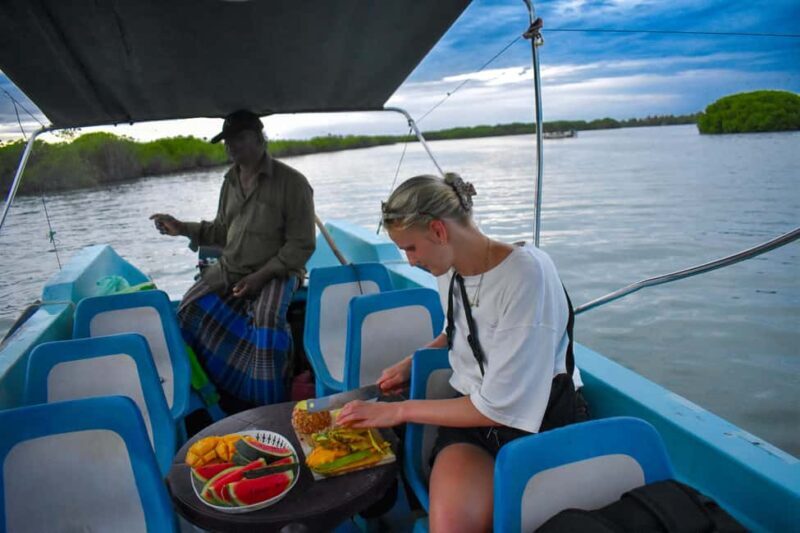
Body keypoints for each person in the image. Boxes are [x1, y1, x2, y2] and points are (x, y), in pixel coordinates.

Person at [337, 173, 588, 533]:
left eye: (411, 248)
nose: (409, 262)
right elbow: (455, 329)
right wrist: (412, 363)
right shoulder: (448, 268)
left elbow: (500, 407)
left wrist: (398, 411)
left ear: (439, 231)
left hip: (543, 421)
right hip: (475, 423)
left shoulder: (525, 275)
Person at [150, 110, 315, 411]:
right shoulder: (230, 181)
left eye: (238, 139)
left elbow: (302, 244)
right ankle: (212, 395)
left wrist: (262, 275)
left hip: (277, 271)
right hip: (231, 267)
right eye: (227, 141)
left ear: (259, 138)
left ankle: (270, 406)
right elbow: (222, 231)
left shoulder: (292, 183)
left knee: (265, 321)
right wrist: (181, 228)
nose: (231, 147)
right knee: (185, 312)